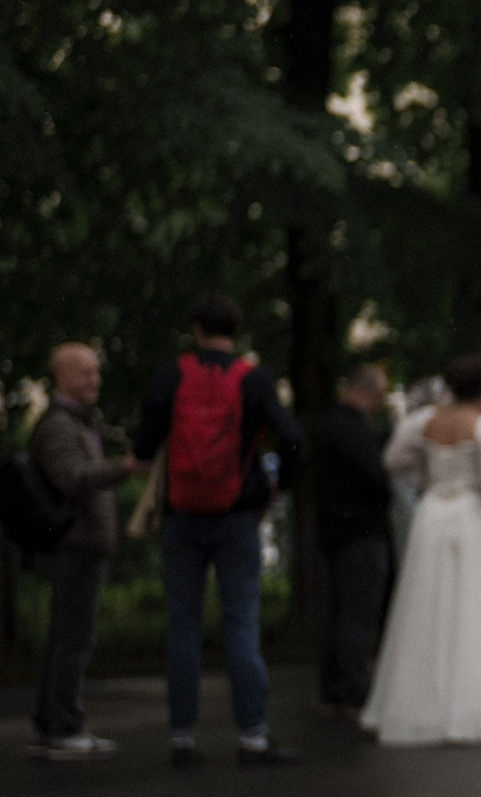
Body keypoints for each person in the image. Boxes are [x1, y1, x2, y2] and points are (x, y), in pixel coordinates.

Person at [133, 293, 305, 767]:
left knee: (183, 624)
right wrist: (276, 488)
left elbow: (144, 445)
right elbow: (291, 438)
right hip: (236, 516)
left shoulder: (173, 375)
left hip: (181, 514)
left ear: (196, 327)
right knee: (241, 623)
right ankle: (252, 735)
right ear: (236, 328)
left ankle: (183, 738)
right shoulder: (254, 380)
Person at [363, 356, 481, 744]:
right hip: (476, 514)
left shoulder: (422, 422)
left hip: (432, 513)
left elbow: (393, 460)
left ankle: (420, 707)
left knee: (426, 605)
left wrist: (427, 481)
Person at [27, 342, 143, 760]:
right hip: (74, 547)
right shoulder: (61, 425)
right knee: (72, 640)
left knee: (66, 637)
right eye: (84, 373)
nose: (94, 380)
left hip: (78, 546)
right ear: (62, 377)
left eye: (96, 371)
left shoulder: (76, 420)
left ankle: (52, 722)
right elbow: (71, 477)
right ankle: (64, 725)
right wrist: (124, 468)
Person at [309, 365, 394, 724]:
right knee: (357, 616)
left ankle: (332, 688)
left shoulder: (326, 426)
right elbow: (376, 478)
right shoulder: (352, 428)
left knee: (338, 612)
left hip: (334, 532)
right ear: (366, 391)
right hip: (360, 532)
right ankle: (352, 690)